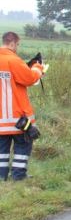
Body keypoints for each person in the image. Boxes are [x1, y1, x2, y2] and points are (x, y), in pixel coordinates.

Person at [0, 32, 46, 181]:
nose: (17, 48)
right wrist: (37, 67)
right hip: (18, 118)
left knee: (1, 151)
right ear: (13, 43)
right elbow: (30, 78)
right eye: (17, 45)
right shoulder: (14, 61)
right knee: (22, 146)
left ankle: (2, 177)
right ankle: (18, 177)